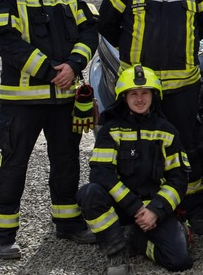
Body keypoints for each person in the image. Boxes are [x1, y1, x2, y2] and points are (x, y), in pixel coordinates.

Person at [97, 0, 203, 234]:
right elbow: (107, 26)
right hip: (140, 90)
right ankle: (136, 209)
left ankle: (193, 211)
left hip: (183, 88)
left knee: (188, 149)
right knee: (138, 149)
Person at [0, 0, 98, 259]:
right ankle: (2, 234)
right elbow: (7, 43)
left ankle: (67, 223)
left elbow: (90, 30)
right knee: (13, 164)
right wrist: (52, 71)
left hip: (64, 100)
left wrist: (74, 65)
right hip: (21, 103)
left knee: (66, 162)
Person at [77, 65, 192, 275]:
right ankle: (117, 251)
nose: (140, 99)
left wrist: (156, 211)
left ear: (153, 96)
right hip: (121, 208)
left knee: (179, 261)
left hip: (154, 209)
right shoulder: (111, 130)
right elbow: (101, 174)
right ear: (124, 97)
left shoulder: (167, 131)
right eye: (134, 94)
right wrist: (136, 208)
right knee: (89, 193)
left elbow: (178, 179)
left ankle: (137, 239)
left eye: (145, 93)